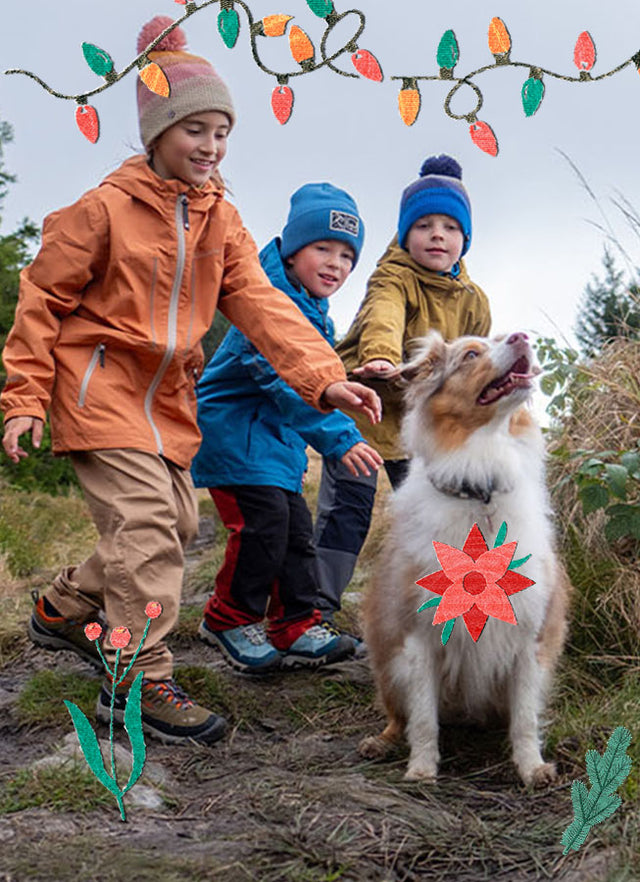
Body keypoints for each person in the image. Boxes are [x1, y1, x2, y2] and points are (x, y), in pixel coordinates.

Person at [0, 16, 380, 746]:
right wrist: (22, 398)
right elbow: (40, 299)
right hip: (98, 391)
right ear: (157, 133)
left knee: (171, 526)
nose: (210, 147)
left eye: (221, 132)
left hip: (169, 403)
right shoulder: (103, 210)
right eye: (194, 130)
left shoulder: (222, 223)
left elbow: (266, 309)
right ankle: (136, 680)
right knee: (147, 531)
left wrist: (324, 382)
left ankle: (62, 608)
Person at [192, 183, 383, 673]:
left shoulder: (317, 315)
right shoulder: (268, 304)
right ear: (292, 249)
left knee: (297, 535)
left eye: (347, 256)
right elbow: (284, 382)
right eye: (322, 248)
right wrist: (339, 438)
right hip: (235, 441)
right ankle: (228, 617)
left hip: (274, 449)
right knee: (263, 529)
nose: (335, 264)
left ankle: (295, 623)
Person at [312, 155, 492, 622]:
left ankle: (446, 605)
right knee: (348, 512)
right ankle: (314, 610)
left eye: (451, 227)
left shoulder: (473, 301)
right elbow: (383, 314)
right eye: (425, 225)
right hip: (364, 409)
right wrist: (381, 355)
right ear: (405, 233)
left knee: (434, 512)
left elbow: (477, 361)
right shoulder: (394, 276)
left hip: (417, 425)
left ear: (464, 240)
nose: (437, 235)